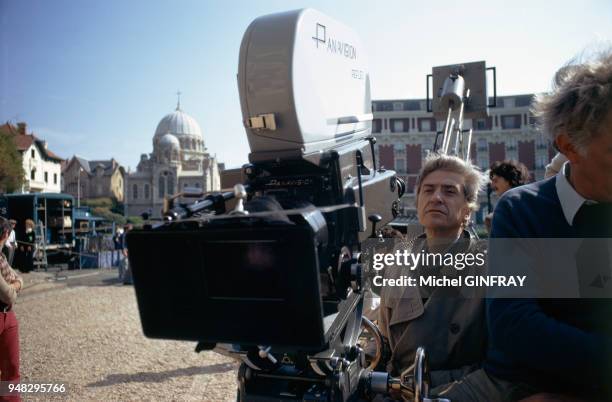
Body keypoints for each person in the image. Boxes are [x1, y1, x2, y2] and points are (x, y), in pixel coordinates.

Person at [378, 153, 488, 391]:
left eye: (449, 191)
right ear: (417, 203)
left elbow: (497, 366)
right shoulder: (399, 259)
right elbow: (384, 340)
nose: (436, 197)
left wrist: (427, 386)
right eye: (428, 190)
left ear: (468, 211)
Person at [0, 216, 23, 401]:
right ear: (6, 234)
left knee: (12, 368)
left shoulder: (2, 258)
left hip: (8, 316)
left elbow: (18, 278)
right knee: (10, 369)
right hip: (3, 311)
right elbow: (8, 293)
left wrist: (16, 284)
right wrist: (16, 286)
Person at [484, 160, 531, 231]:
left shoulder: (515, 202)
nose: (492, 185)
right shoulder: (525, 199)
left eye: (496, 181)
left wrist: (494, 219)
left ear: (508, 180)